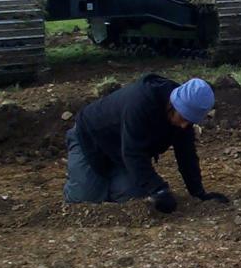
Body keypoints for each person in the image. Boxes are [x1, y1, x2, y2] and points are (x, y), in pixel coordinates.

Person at [63, 73, 229, 213]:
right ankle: (86, 179)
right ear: (174, 104)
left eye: (190, 121)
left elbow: (186, 154)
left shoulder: (182, 118)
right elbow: (133, 153)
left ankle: (106, 180)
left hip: (121, 152)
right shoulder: (142, 102)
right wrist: (159, 189)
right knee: (84, 201)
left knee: (133, 197)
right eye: (183, 118)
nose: (185, 125)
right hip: (91, 140)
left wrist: (198, 193)